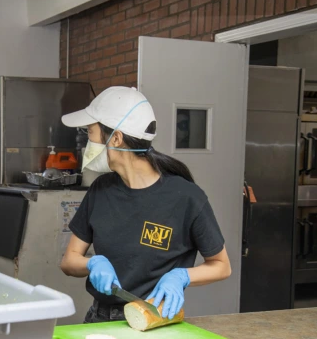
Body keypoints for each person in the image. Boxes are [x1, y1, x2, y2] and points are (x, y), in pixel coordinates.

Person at [59, 87, 231, 323]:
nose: (87, 143)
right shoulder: (100, 190)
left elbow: (221, 266)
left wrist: (181, 276)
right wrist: (93, 263)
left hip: (155, 321)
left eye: (90, 132)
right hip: (100, 319)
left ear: (116, 138)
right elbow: (69, 261)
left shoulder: (187, 197)